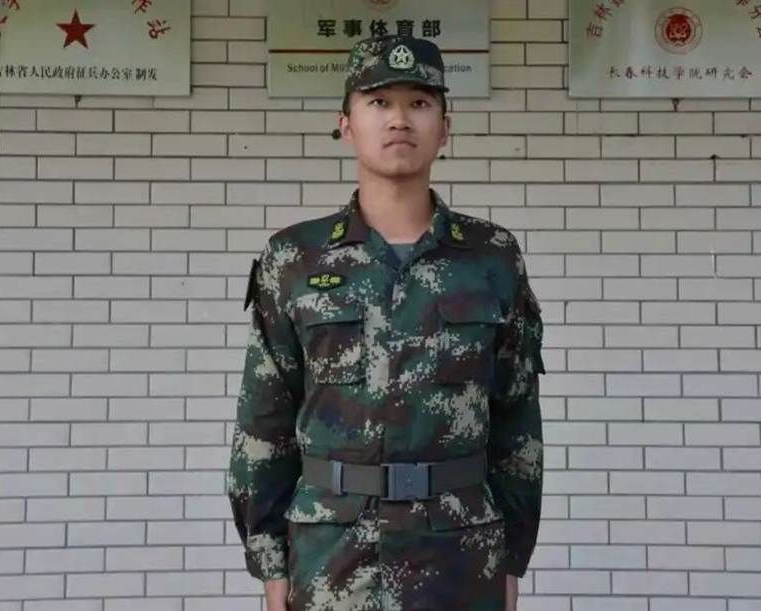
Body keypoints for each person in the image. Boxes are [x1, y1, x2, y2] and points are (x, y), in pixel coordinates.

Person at [227, 35, 545, 611]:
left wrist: (511, 558)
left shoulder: (491, 257)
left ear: (445, 129)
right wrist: (271, 565)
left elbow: (516, 420)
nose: (400, 119)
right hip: (330, 558)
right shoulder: (295, 259)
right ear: (346, 125)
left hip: (460, 552)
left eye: (419, 103)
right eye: (378, 102)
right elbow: (264, 423)